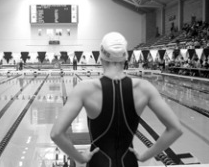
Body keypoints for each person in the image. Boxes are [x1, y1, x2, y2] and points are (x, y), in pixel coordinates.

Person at [50, 32, 182, 167]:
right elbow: (175, 129)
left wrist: (80, 158)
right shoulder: (144, 88)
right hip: (129, 161)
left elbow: (56, 134)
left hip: (98, 162)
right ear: (126, 57)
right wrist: (145, 156)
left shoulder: (84, 89)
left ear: (101, 57)